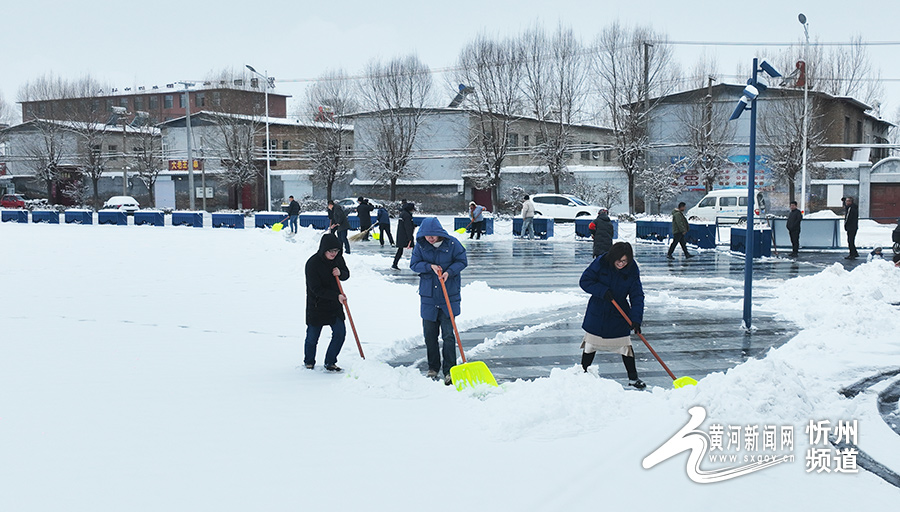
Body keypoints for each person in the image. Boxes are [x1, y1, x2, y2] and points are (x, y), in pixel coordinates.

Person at [579, 241, 646, 390]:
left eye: (624, 261)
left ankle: (633, 378)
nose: (621, 264)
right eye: (618, 260)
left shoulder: (632, 270)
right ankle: (582, 372)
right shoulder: (601, 262)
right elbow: (585, 281)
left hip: (619, 313)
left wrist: (636, 319)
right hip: (598, 310)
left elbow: (637, 296)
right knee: (590, 345)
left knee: (625, 346)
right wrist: (602, 291)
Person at [410, 217, 468, 386]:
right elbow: (414, 264)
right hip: (428, 297)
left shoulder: (452, 244)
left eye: (433, 235)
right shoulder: (421, 246)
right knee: (430, 335)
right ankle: (433, 367)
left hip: (448, 295)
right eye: (427, 236)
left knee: (449, 335)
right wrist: (430, 267)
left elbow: (462, 261)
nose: (430, 238)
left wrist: (449, 272)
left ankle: (450, 370)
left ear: (439, 233)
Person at [303, 233, 350, 372]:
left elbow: (346, 274)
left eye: (336, 251)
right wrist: (337, 296)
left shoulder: (338, 259)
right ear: (323, 249)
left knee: (340, 333)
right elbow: (316, 289)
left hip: (334, 306)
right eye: (331, 251)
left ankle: (330, 361)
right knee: (312, 337)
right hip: (317, 305)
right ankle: (309, 361)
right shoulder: (312, 264)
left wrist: (340, 273)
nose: (334, 254)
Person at [392, 201, 416, 270]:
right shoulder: (407, 215)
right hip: (406, 236)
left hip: (401, 235)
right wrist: (410, 238)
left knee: (400, 250)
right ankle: (415, 264)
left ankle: (394, 264)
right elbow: (407, 227)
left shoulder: (403, 214)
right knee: (415, 251)